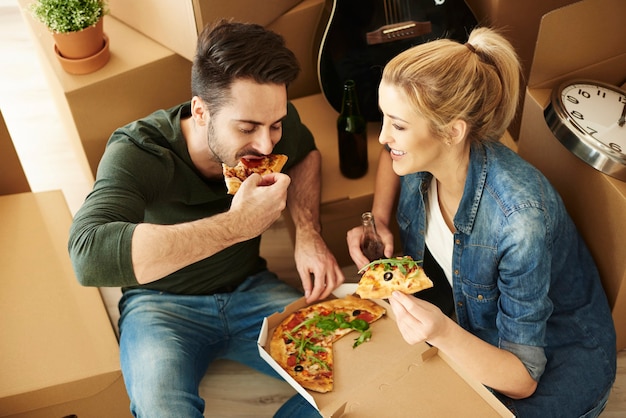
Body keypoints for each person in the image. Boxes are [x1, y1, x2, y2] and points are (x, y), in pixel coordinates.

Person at [277, 26, 617, 417]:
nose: (384, 138)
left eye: (399, 125)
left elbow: (523, 378)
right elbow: (391, 160)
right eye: (384, 118)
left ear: (452, 131)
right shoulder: (425, 156)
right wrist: (381, 219)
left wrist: (440, 332)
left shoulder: (519, 223)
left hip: (551, 361)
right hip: (463, 322)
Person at [68, 19, 344, 417]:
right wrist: (236, 226)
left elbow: (306, 156)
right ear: (201, 112)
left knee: (360, 372)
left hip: (252, 290)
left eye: (275, 125)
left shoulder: (273, 120)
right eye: (247, 127)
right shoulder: (139, 150)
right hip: (159, 305)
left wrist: (307, 232)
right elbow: (88, 255)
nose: (266, 143)